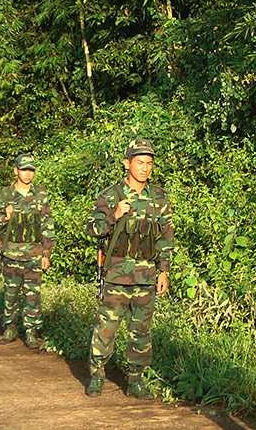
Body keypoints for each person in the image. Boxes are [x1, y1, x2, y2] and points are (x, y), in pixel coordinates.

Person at [85, 138, 174, 399]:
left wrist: (164, 270)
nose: (145, 168)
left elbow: (165, 237)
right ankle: (97, 374)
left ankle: (135, 380)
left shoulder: (159, 197)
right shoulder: (111, 195)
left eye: (149, 163)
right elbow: (91, 228)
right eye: (140, 162)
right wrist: (113, 216)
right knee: (106, 328)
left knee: (141, 331)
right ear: (127, 163)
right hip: (116, 276)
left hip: (146, 276)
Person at [0, 154, 55, 348]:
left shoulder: (40, 194)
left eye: (31, 170)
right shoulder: (4, 195)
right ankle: (9, 327)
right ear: (16, 170)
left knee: (33, 295)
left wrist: (46, 253)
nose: (27, 174)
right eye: (24, 169)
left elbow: (47, 225)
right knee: (11, 293)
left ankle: (31, 332)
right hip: (11, 254)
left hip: (34, 254)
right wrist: (4, 218)